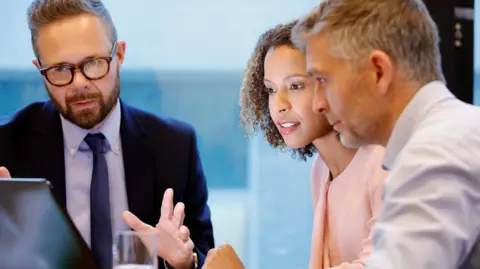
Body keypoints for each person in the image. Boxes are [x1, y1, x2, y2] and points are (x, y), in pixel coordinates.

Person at [0, 0, 214, 268]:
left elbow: (207, 258)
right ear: (40, 71)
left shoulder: (174, 146)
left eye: (93, 63)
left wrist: (184, 261)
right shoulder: (5, 146)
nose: (79, 83)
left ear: (120, 55)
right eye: (60, 70)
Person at [290, 0, 480, 268]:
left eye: (323, 80)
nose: (317, 103)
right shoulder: (459, 131)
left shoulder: (434, 155)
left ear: (378, 71)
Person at [203, 21, 387, 269]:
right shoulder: (320, 170)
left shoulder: (383, 163)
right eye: (270, 89)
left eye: (295, 86)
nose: (278, 105)